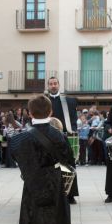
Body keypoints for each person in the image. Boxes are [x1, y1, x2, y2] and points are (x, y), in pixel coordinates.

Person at [10, 95, 72, 224]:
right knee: (51, 208)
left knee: (34, 208)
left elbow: (14, 154)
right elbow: (67, 157)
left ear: (29, 113)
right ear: (51, 112)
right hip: (53, 177)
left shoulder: (23, 137)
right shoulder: (58, 135)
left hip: (32, 176)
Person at [47, 76, 79, 204]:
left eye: (55, 83)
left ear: (58, 85)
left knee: (69, 165)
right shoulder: (44, 101)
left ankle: (70, 195)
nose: (53, 86)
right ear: (48, 86)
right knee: (50, 166)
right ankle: (51, 193)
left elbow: (73, 119)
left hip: (65, 138)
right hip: (48, 138)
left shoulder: (69, 101)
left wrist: (73, 132)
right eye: (51, 84)